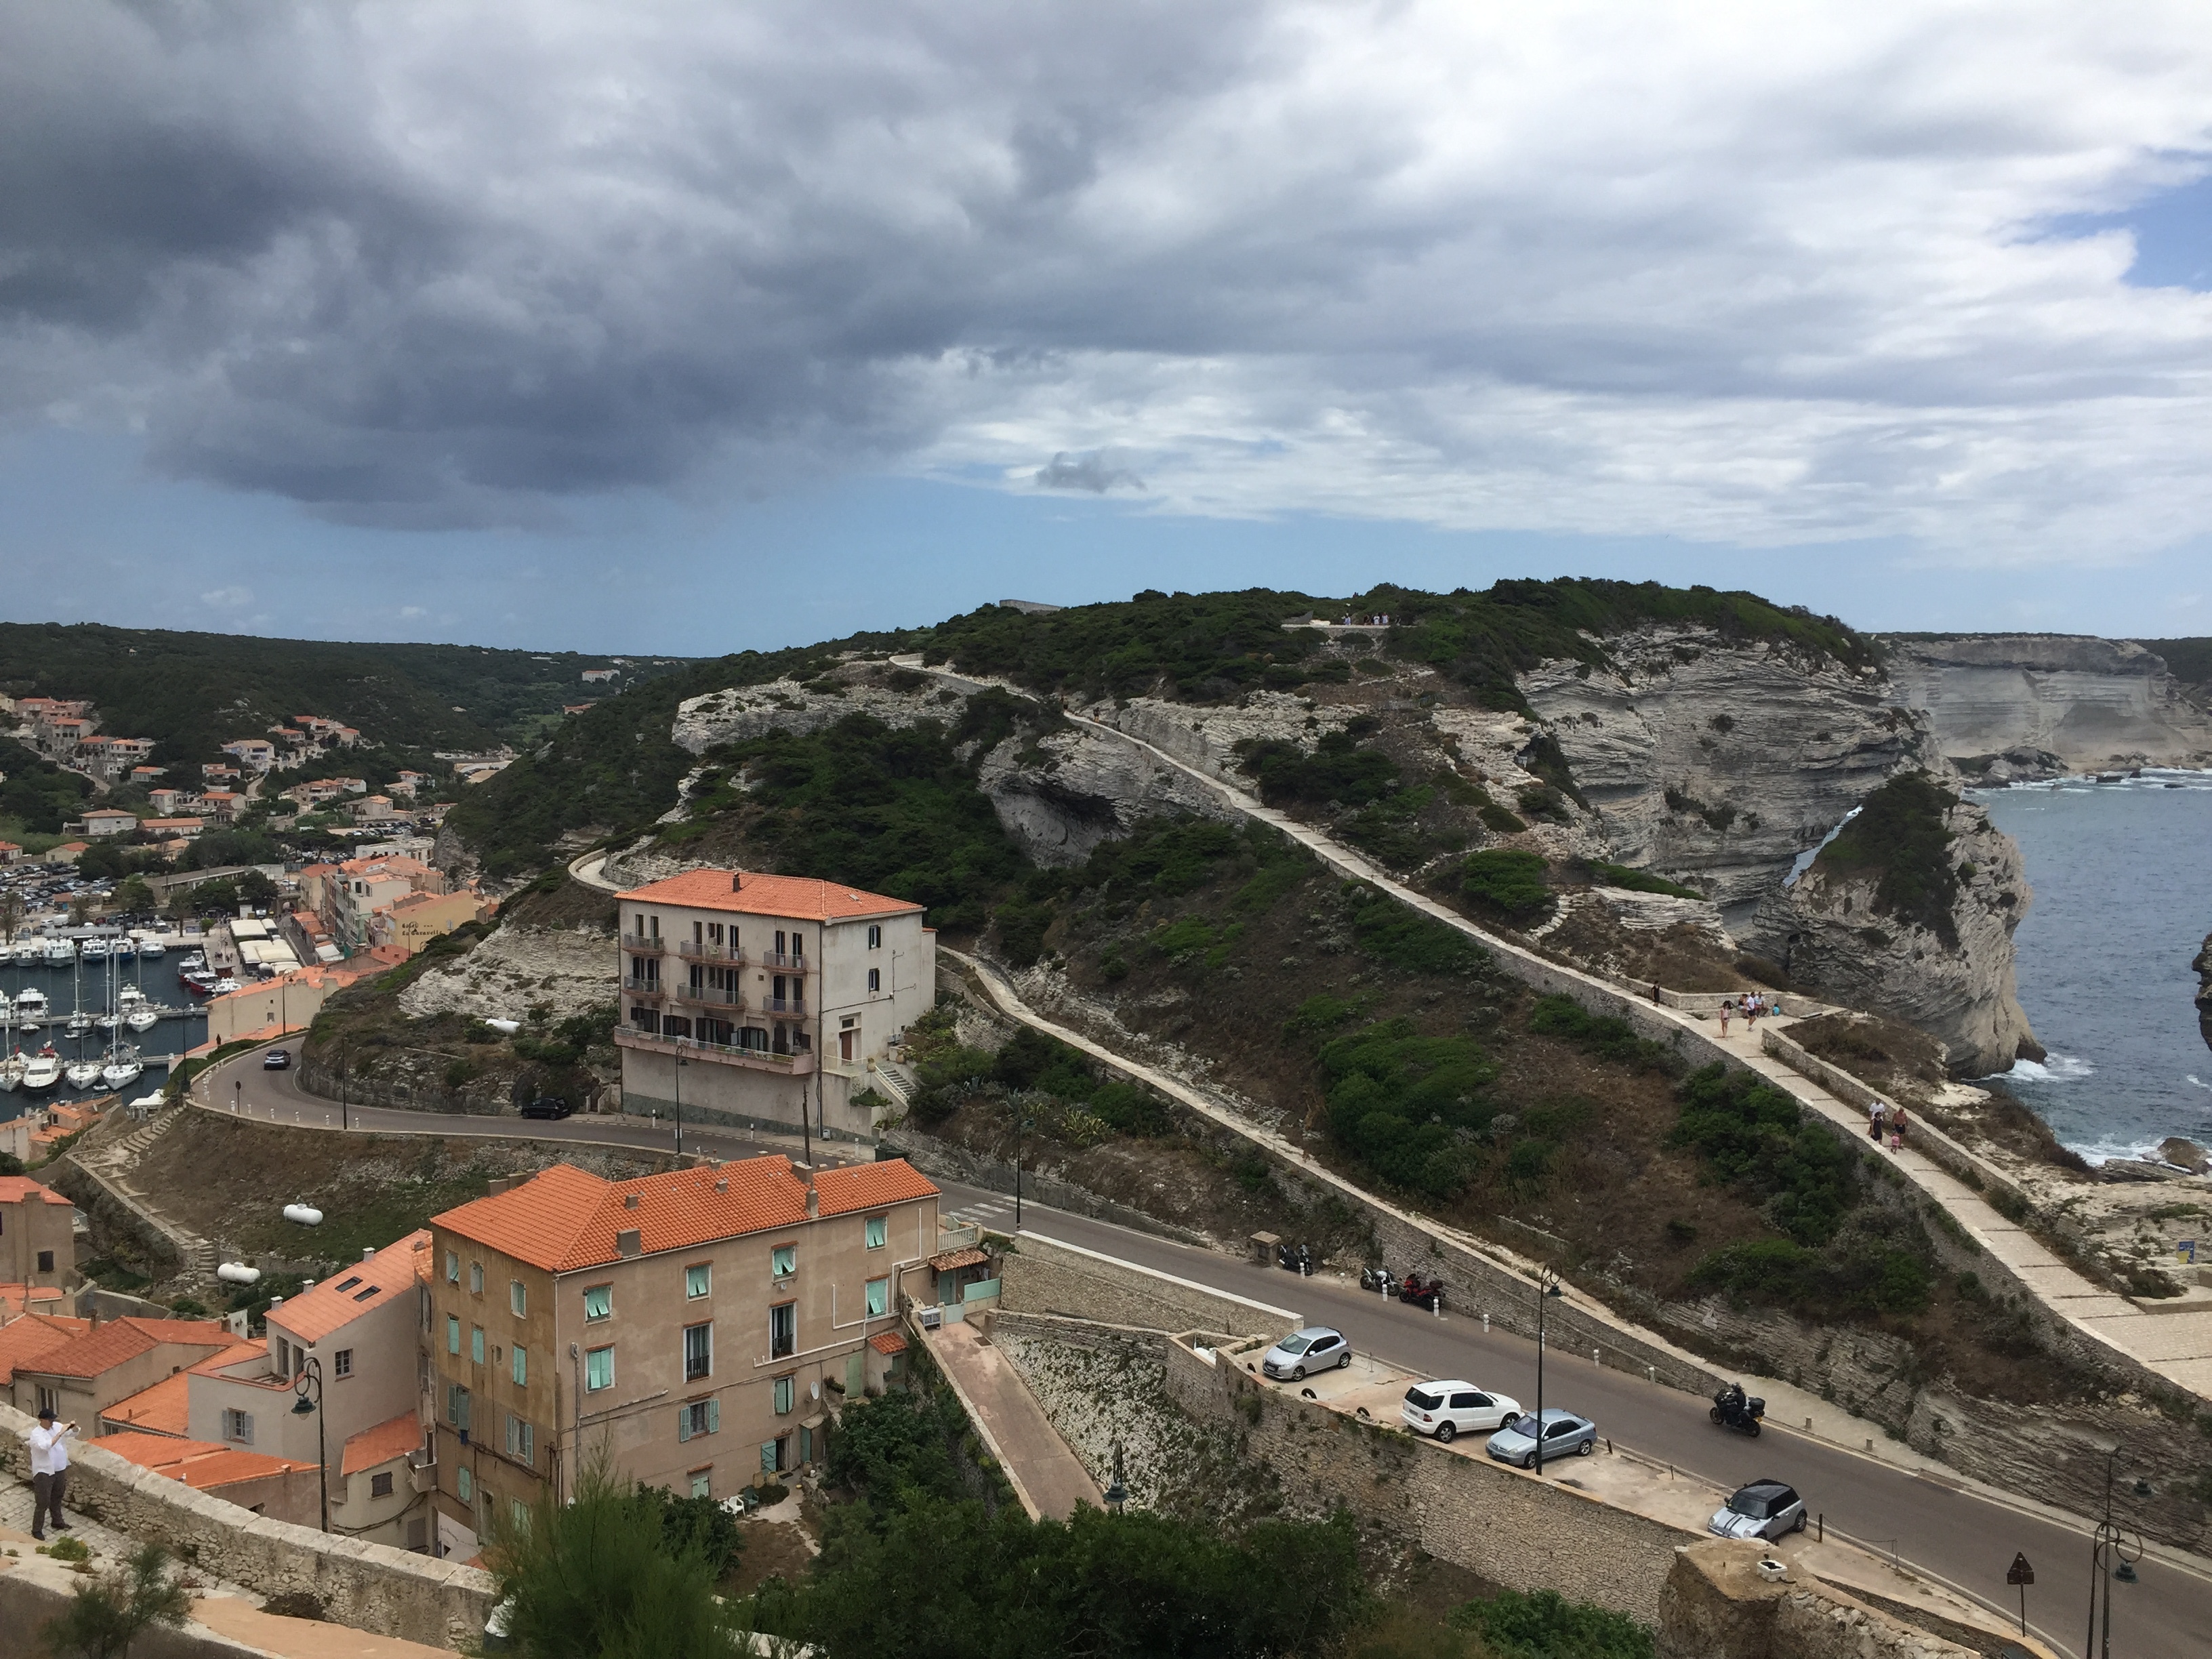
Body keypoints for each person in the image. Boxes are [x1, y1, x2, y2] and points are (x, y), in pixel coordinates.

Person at [28, 1406, 74, 1540]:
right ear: (42, 1420)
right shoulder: (36, 1434)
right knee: (43, 1502)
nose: (53, 1422)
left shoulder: (56, 1426)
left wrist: (72, 1427)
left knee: (58, 1496)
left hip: (59, 1468)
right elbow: (45, 1446)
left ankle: (57, 1521)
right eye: (50, 1420)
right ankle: (36, 1529)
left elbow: (72, 1434)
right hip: (44, 1471)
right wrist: (59, 1434)